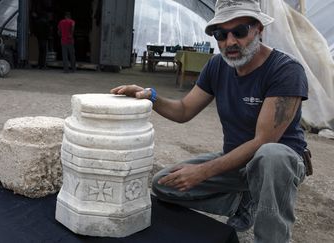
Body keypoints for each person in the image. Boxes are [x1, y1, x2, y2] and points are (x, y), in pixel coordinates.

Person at [110, 0, 311, 242]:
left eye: (239, 31)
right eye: (221, 35)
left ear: (258, 29)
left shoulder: (285, 70)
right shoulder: (217, 65)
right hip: (237, 160)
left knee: (271, 155)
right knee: (164, 185)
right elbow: (184, 110)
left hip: (277, 165)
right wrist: (150, 96)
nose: (230, 42)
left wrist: (203, 172)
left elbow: (263, 141)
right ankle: (243, 202)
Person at [31, 0, 52, 69]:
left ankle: (40, 64)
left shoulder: (37, 22)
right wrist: (48, 36)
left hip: (39, 38)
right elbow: (48, 30)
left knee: (40, 51)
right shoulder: (46, 22)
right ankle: (43, 65)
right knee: (44, 52)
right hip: (44, 38)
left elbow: (35, 30)